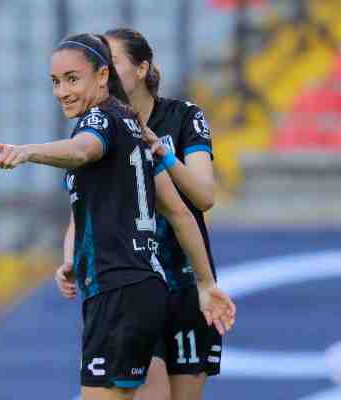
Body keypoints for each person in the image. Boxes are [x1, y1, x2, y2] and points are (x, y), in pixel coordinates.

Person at [0, 33, 235, 400]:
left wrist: (28, 152)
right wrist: (73, 259)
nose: (61, 91)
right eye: (56, 82)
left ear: (105, 75)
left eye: (73, 79)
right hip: (142, 283)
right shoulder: (130, 126)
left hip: (128, 285)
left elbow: (84, 150)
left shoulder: (106, 121)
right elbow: (168, 211)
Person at [56, 28, 220, 400]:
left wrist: (160, 152)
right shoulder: (105, 127)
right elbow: (81, 209)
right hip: (135, 282)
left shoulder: (182, 116)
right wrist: (70, 259)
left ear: (142, 68)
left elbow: (203, 197)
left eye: (112, 62)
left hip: (183, 280)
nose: (106, 71)